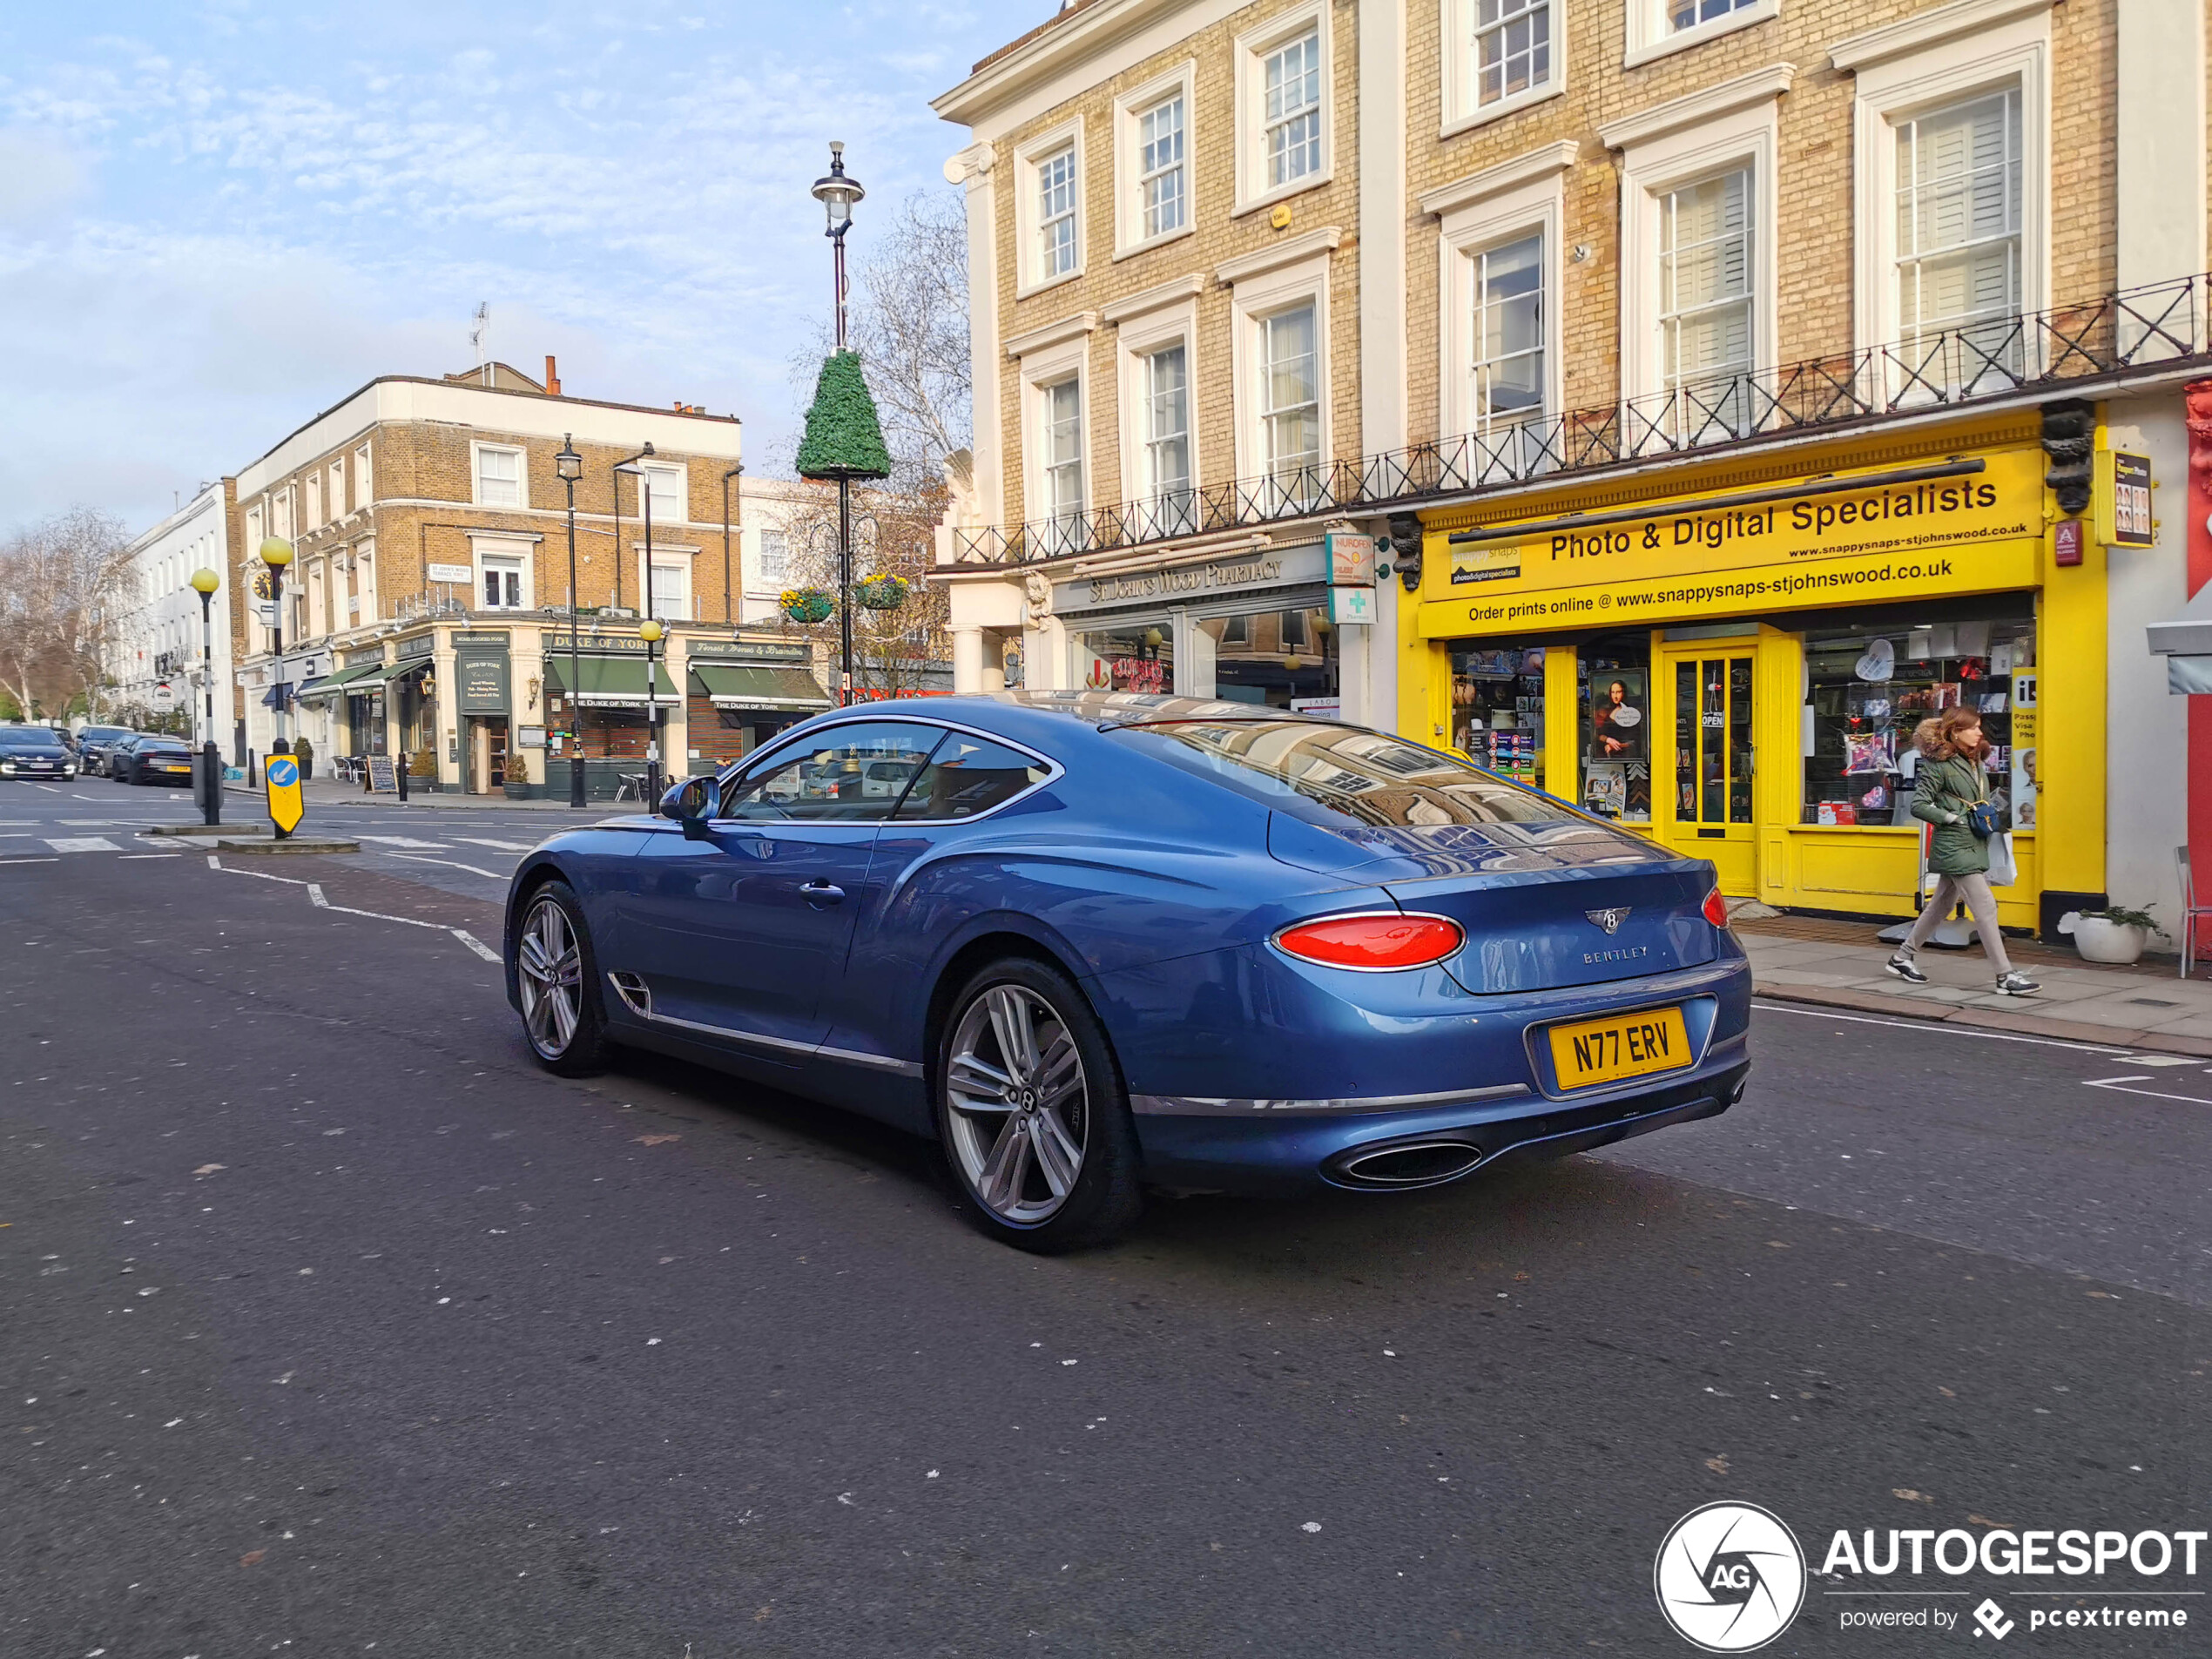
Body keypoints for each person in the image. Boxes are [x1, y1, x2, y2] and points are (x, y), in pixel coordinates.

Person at [1887, 705, 2039, 995]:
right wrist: (1951, 818)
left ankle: (1902, 957)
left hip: (1975, 841)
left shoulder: (1974, 761)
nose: (1979, 732)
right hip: (1955, 844)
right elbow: (1919, 804)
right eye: (1973, 727)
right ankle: (2005, 976)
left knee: (1941, 905)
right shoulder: (1938, 765)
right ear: (1956, 731)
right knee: (1985, 907)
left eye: (1979, 727)